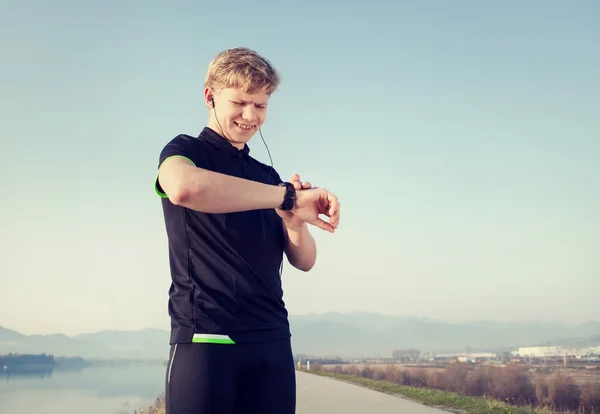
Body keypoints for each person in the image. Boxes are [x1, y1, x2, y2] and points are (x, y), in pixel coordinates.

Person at [154, 47, 341, 414]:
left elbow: (304, 261)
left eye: (261, 105)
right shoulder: (184, 152)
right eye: (240, 102)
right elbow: (182, 188)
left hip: (272, 341)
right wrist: (287, 197)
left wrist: (294, 222)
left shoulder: (267, 177)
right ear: (210, 97)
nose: (250, 116)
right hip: (207, 340)